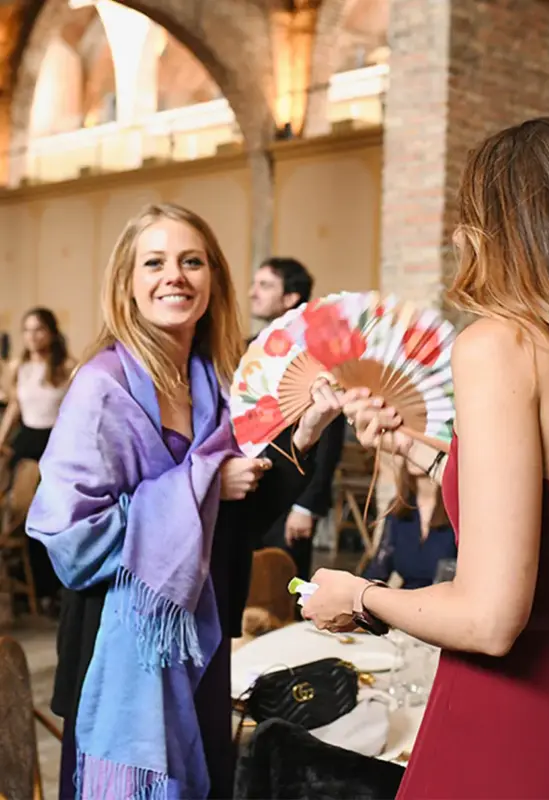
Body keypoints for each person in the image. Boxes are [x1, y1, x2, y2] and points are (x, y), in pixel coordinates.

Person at [302, 118, 549, 798]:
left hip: (519, 726)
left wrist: (361, 596)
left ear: (495, 227)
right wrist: (421, 451)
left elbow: (489, 620)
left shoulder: (500, 346)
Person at [26, 203, 345, 800]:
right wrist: (200, 486)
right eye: (155, 262)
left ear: (213, 280)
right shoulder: (101, 386)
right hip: (114, 651)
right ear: (128, 282)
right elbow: (70, 541)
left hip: (202, 637)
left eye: (191, 261)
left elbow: (238, 520)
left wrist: (303, 433)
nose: (175, 275)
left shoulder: (217, 383)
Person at [249, 257, 345, 579]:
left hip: (293, 488)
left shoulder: (316, 352)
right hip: (249, 485)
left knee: (284, 586)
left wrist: (306, 505)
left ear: (290, 298)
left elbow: (329, 433)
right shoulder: (250, 349)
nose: (252, 292)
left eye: (264, 285)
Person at [0, 308, 74, 605]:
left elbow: (73, 411)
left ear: (52, 333)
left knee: (55, 515)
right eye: (27, 330)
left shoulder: (68, 366)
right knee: (22, 513)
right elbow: (15, 407)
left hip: (56, 444)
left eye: (39, 329)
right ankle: (32, 588)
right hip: (27, 441)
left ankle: (53, 587)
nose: (32, 336)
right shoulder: (18, 367)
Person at [363, 456, 456, 590]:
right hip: (406, 603)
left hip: (445, 605)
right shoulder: (399, 510)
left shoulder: (457, 511)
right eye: (410, 445)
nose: (413, 451)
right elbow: (378, 571)